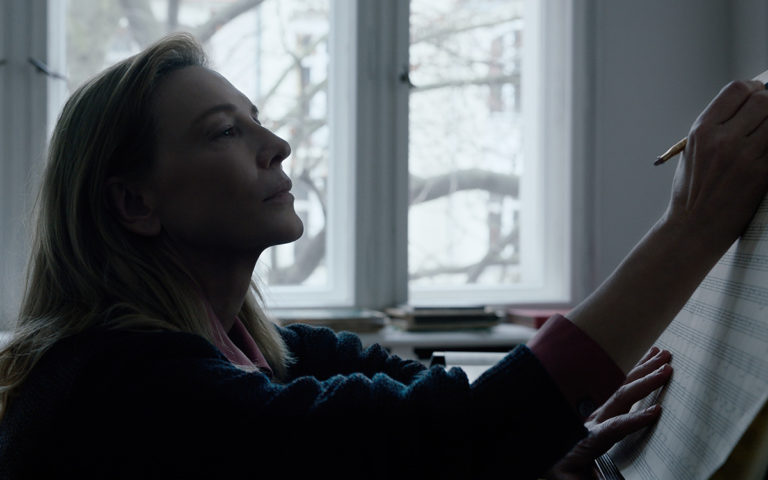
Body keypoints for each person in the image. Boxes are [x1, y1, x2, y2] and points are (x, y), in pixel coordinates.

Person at [0, 32, 765, 479]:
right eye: (225, 131)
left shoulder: (267, 352)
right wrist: (691, 229)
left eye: (258, 121)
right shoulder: (121, 389)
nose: (278, 144)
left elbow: (446, 415)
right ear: (135, 203)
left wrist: (529, 446)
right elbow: (466, 433)